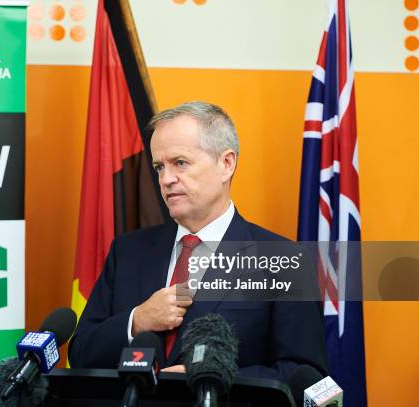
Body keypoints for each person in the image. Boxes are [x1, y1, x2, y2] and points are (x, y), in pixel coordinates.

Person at [68, 101, 327, 381]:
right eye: (159, 167)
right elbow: (81, 352)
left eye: (180, 163)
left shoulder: (284, 261)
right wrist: (138, 320)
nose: (166, 179)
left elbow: (304, 374)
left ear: (226, 163)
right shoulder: (128, 251)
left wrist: (212, 377)